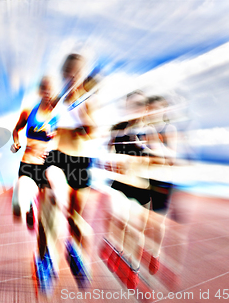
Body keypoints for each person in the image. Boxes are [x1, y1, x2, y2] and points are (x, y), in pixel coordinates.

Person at [41, 53, 98, 290]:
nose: (72, 76)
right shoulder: (56, 100)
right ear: (64, 73)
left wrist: (80, 110)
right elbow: (44, 124)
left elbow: (90, 132)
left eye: (77, 72)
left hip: (80, 161)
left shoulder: (88, 100)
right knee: (51, 204)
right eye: (69, 72)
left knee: (75, 219)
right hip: (56, 158)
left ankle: (74, 252)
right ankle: (46, 260)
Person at [102, 90, 164, 289]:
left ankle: (133, 268)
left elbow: (158, 160)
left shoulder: (149, 132)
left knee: (136, 230)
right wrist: (109, 161)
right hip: (120, 185)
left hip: (140, 187)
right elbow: (106, 152)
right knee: (119, 217)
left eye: (138, 105)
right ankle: (115, 249)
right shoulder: (116, 130)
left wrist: (142, 155)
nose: (134, 109)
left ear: (144, 109)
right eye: (131, 105)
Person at [11, 77, 57, 230]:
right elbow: (16, 129)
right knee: (17, 209)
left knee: (50, 209)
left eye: (50, 89)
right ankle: (29, 204)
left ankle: (45, 246)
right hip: (28, 163)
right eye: (44, 88)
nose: (47, 92)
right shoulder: (28, 112)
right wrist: (16, 143)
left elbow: (62, 140)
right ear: (40, 91)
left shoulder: (58, 117)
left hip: (46, 166)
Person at [143, 95, 177, 275]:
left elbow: (171, 158)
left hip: (162, 181)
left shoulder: (168, 128)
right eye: (150, 108)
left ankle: (155, 254)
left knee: (157, 221)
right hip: (143, 179)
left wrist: (153, 147)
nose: (152, 111)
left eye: (156, 108)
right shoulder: (143, 129)